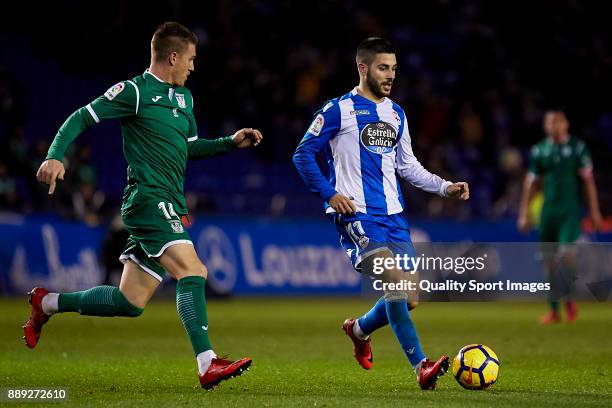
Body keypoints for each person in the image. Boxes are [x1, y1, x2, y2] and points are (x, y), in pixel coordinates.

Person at [25, 22, 263, 389]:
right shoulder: (134, 92)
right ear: (172, 57)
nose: (193, 67)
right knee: (193, 271)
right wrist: (56, 156)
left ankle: (47, 303)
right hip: (148, 199)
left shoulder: (185, 99)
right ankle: (207, 362)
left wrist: (230, 142)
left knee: (129, 301)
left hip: (168, 200)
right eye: (190, 59)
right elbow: (81, 117)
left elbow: (189, 148)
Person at [293, 37, 469, 390]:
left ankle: (358, 329)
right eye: (383, 68)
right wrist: (330, 193)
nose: (390, 75)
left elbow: (409, 166)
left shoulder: (396, 113)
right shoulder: (338, 110)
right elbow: (302, 154)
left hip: (395, 217)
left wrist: (444, 186)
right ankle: (421, 365)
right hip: (357, 215)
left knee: (411, 297)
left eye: (394, 69)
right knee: (397, 285)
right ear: (363, 68)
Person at [518, 110, 602, 324]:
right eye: (550, 122)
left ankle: (570, 299)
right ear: (546, 126)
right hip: (548, 213)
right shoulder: (540, 150)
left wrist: (594, 211)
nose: (554, 126)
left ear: (566, 124)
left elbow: (588, 182)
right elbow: (531, 183)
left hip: (570, 213)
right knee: (549, 262)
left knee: (567, 256)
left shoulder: (577, 148)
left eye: (557, 122)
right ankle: (554, 310)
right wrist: (524, 213)